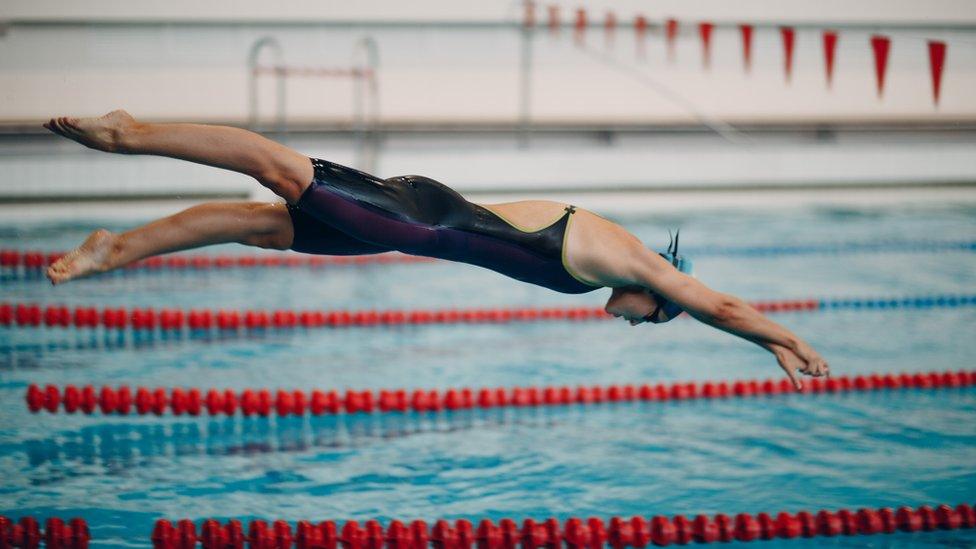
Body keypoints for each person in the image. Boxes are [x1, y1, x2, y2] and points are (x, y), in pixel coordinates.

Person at [43, 110, 829, 389]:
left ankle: (116, 250)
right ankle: (129, 133)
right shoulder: (638, 265)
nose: (638, 322)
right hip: (412, 218)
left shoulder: (603, 272)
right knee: (275, 169)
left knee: (260, 223)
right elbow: (718, 304)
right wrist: (785, 340)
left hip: (410, 227)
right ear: (663, 294)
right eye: (654, 320)